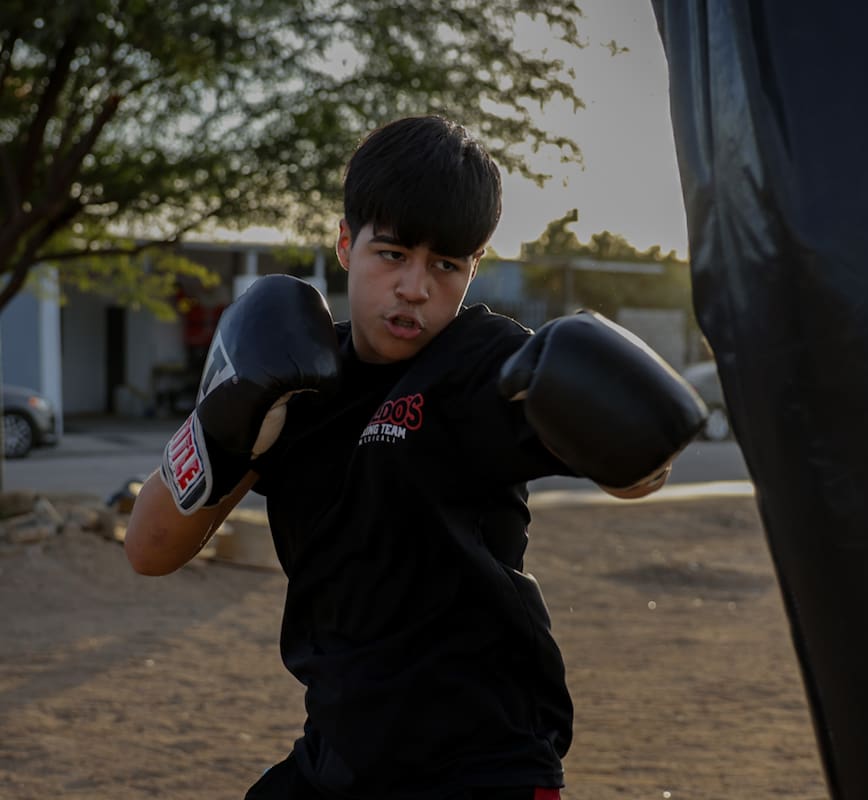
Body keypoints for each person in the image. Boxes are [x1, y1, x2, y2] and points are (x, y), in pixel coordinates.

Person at [124, 115, 707, 800]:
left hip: (483, 761)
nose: (415, 288)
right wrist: (226, 425)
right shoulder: (287, 374)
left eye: (446, 265)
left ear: (473, 269)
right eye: (393, 254)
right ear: (346, 244)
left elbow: (642, 474)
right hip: (341, 750)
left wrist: (630, 435)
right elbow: (149, 549)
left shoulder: (484, 363)